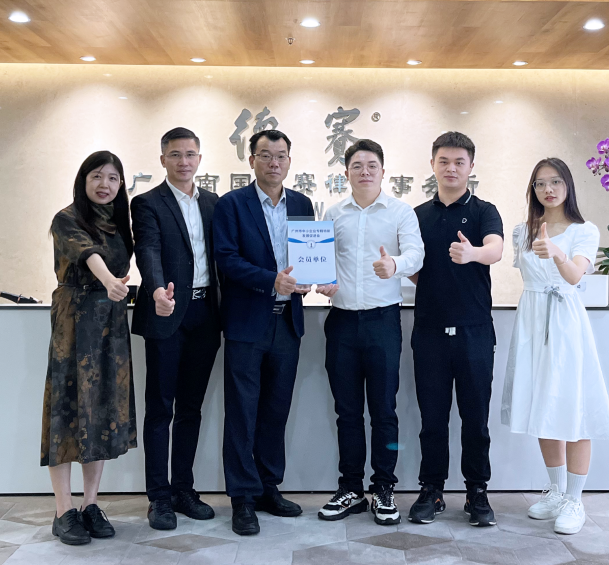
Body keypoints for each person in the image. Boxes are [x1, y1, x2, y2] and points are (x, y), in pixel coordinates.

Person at [501, 158, 609, 535]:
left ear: (568, 185)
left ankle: (575, 499)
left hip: (565, 321)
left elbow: (574, 275)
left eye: (555, 182)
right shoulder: (522, 231)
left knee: (574, 408)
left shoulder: (584, 230)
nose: (548, 189)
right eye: (539, 184)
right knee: (544, 405)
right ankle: (555, 490)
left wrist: (557, 252)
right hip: (532, 321)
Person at [316, 139, 424, 526]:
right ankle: (350, 488)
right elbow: (321, 262)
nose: (365, 171)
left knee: (383, 411)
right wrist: (322, 281)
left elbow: (416, 254)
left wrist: (394, 265)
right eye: (357, 165)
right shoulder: (333, 214)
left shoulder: (400, 212)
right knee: (347, 412)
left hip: (383, 322)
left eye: (372, 165)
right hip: (342, 322)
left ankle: (383, 489)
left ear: (383, 171)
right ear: (346, 172)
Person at [213, 129, 315, 536]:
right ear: (251, 160)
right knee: (242, 411)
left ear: (290, 161)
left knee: (275, 409)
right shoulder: (231, 204)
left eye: (281, 156)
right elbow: (226, 259)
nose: (274, 162)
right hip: (246, 323)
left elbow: (308, 256)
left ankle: (268, 487)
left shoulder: (302, 203)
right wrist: (270, 280)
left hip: (287, 322)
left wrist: (313, 277)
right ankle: (242, 497)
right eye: (266, 155)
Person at [408, 131, 504, 528]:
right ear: (432, 164)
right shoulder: (416, 215)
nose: (451, 168)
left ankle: (477, 491)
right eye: (444, 161)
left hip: (474, 331)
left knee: (475, 419)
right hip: (429, 332)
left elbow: (496, 249)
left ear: (471, 167)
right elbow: (411, 266)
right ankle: (431, 490)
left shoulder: (484, 211)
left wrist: (473, 253)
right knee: (432, 419)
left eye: (459, 162)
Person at [42, 151, 137, 546]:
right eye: (97, 176)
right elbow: (88, 254)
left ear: (121, 185)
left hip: (109, 326)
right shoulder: (66, 218)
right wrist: (110, 281)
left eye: (112, 178)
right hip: (74, 325)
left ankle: (90, 504)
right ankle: (63, 510)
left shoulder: (120, 225)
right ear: (83, 180)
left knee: (99, 410)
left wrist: (124, 287)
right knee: (66, 412)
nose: (104, 184)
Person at [131, 128, 221, 531]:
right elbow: (148, 250)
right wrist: (155, 290)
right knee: (159, 409)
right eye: (175, 154)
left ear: (199, 158)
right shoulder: (147, 203)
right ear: (162, 159)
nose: (184, 161)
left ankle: (184, 489)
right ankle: (159, 497)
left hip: (206, 314)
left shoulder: (215, 203)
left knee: (190, 408)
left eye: (190, 154)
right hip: (165, 312)